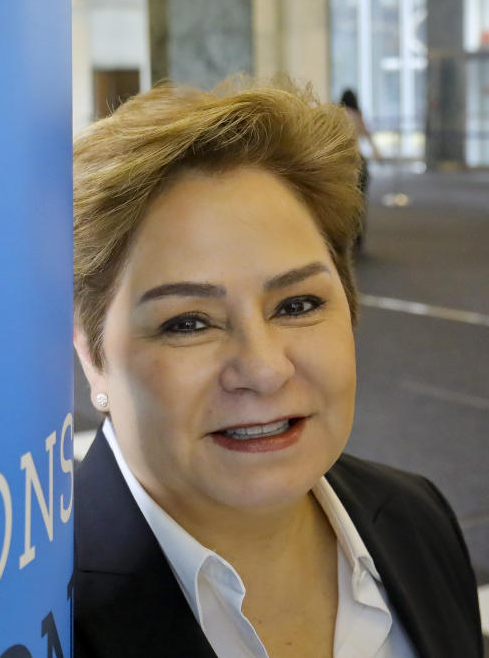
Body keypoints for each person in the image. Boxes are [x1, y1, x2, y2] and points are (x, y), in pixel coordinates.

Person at [72, 79, 481, 657]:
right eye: (188, 322)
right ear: (92, 354)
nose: (263, 370)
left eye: (297, 305)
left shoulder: (415, 517)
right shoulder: (36, 617)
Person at [339, 88, 381, 250]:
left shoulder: (337, 114)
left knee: (343, 201)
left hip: (342, 162)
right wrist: (378, 154)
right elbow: (368, 137)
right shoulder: (357, 116)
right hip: (358, 161)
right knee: (360, 200)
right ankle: (358, 237)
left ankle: (343, 235)